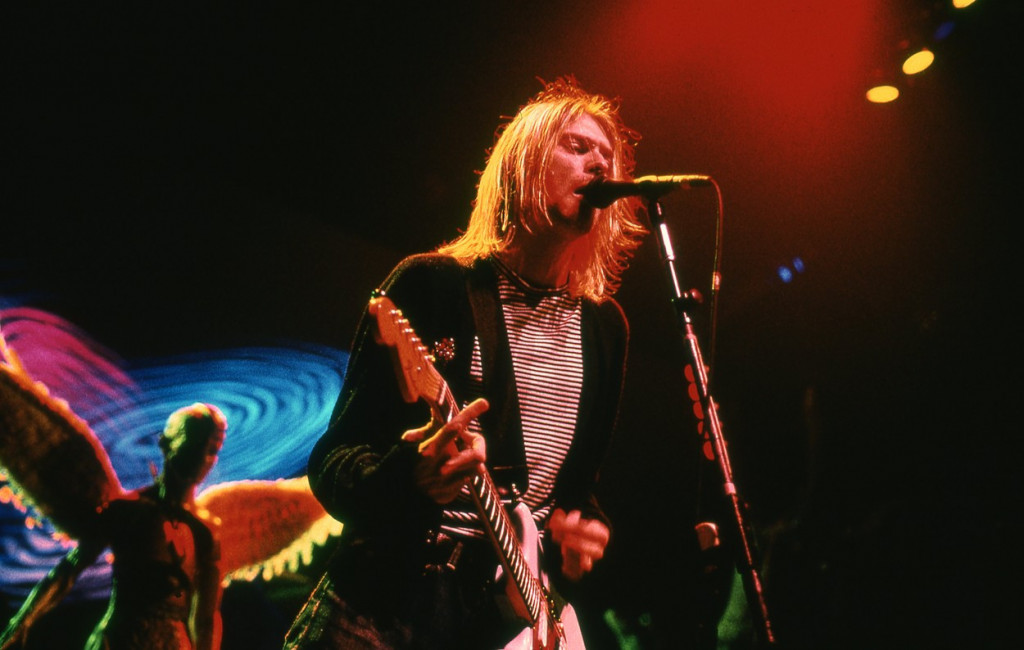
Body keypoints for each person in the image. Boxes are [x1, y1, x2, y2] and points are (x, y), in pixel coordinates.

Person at [283, 75, 648, 649]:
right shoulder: (434, 286)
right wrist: (409, 478)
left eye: (608, 156)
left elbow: (575, 488)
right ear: (524, 165)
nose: (601, 165)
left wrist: (583, 528)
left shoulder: (603, 330)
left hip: (496, 623)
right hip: (384, 603)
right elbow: (333, 460)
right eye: (578, 147)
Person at [0, 402, 228, 650]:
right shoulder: (128, 510)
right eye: (195, 444)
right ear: (166, 443)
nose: (202, 458)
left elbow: (207, 619)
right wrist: (21, 623)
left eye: (212, 450)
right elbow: (68, 570)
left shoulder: (206, 531)